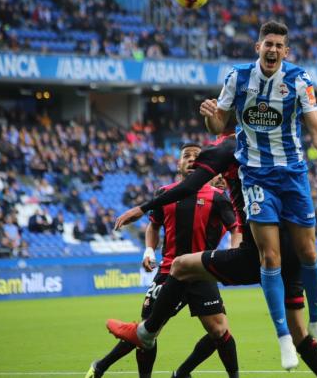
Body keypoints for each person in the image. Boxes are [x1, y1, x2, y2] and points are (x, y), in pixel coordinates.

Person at [108, 135, 317, 377]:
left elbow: (191, 188)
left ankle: (145, 334)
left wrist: (140, 208)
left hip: (256, 254)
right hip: (291, 250)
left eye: (218, 106)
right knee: (300, 334)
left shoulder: (228, 147)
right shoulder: (272, 142)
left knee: (182, 268)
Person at [198, 20, 317, 369]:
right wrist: (209, 117)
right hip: (255, 177)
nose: (273, 50)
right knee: (270, 257)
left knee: (308, 250)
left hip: (293, 175)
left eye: (280, 46)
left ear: (287, 51)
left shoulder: (299, 80)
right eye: (268, 44)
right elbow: (218, 126)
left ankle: (316, 322)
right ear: (258, 47)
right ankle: (284, 336)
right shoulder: (237, 77)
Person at [87, 143, 241, 378]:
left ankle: (185, 373)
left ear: (204, 165)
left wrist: (233, 252)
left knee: (219, 331)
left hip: (201, 271)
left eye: (196, 157)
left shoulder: (218, 197)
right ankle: (101, 366)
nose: (191, 159)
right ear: (178, 164)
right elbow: (154, 225)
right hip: (169, 272)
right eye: (186, 156)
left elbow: (235, 227)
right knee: (147, 331)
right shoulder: (164, 193)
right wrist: (149, 250)